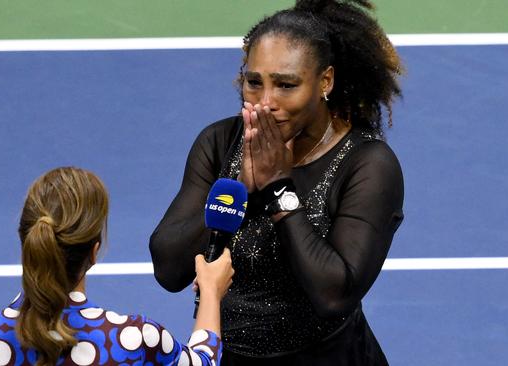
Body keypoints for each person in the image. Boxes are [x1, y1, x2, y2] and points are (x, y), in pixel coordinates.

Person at [149, 0, 404, 364]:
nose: (266, 102)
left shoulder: (367, 164)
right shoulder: (220, 143)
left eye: (286, 85)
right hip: (232, 355)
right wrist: (241, 193)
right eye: (254, 83)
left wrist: (277, 189)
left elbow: (334, 294)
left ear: (325, 81)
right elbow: (168, 269)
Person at [0, 167, 234, 366]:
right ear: (95, 251)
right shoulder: (134, 340)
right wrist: (210, 292)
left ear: (26, 242)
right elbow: (204, 360)